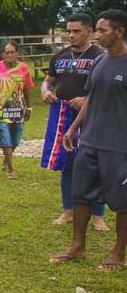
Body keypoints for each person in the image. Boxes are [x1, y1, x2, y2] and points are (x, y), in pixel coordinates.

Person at [51, 9, 127, 272]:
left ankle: (118, 252)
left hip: (119, 146)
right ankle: (77, 247)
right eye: (97, 29)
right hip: (90, 141)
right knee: (81, 194)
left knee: (122, 200)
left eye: (103, 30)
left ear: (119, 32)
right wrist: (73, 128)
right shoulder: (99, 61)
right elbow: (91, 98)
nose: (98, 34)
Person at [41, 13, 108, 231]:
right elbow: (49, 81)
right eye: (68, 31)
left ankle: (98, 215)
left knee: (94, 165)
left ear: (90, 31)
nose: (71, 35)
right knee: (67, 163)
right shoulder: (59, 56)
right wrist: (45, 91)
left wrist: (88, 100)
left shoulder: (100, 57)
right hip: (63, 116)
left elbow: (107, 89)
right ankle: (68, 210)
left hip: (94, 118)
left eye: (77, 31)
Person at [0, 40, 34, 178]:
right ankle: (11, 168)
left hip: (18, 108)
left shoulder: (24, 68)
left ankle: (6, 159)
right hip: (0, 108)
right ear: (2, 54)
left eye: (12, 52)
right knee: (5, 135)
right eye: (6, 52)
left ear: (17, 53)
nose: (9, 55)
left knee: (17, 137)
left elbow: (27, 89)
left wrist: (28, 108)